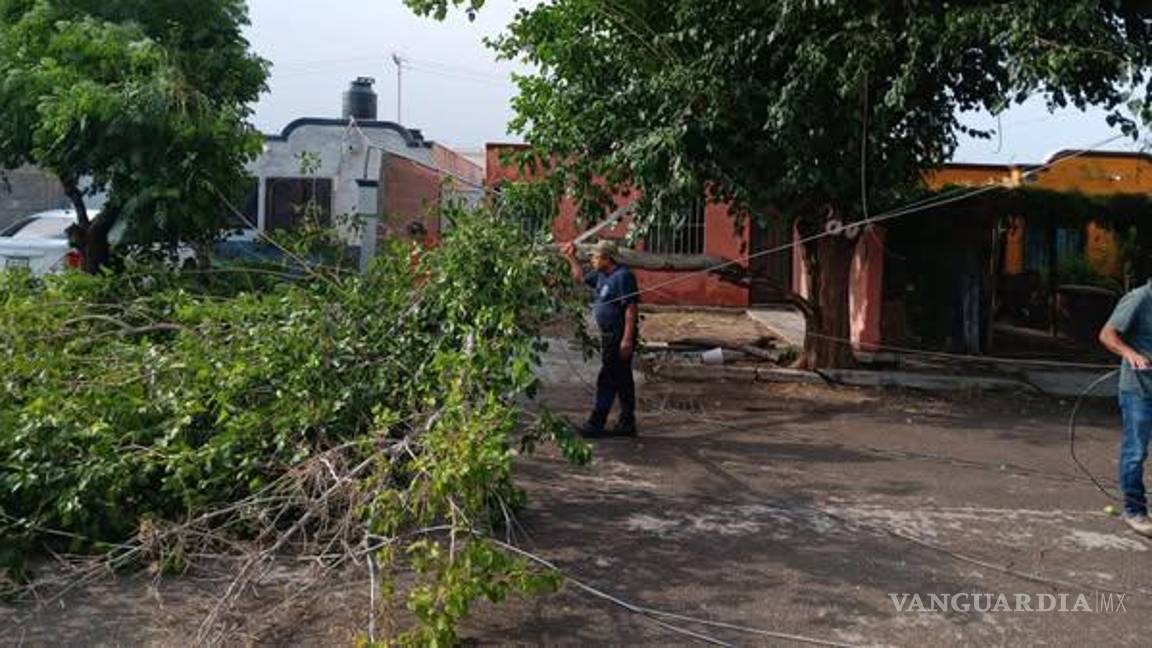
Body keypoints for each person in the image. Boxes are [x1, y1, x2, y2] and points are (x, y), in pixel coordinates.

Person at [561, 239, 640, 437]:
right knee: (622, 379)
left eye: (596, 257)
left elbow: (631, 309)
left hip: (619, 334)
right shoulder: (601, 274)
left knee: (607, 378)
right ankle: (627, 422)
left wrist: (627, 339)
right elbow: (580, 278)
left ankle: (596, 423)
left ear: (607, 258)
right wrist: (571, 258)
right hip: (608, 335)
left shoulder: (623, 277)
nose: (593, 260)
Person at [1099, 281, 1152, 537]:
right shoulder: (1139, 298)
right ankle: (1135, 510)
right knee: (1136, 451)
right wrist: (1129, 353)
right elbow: (1107, 335)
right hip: (1139, 390)